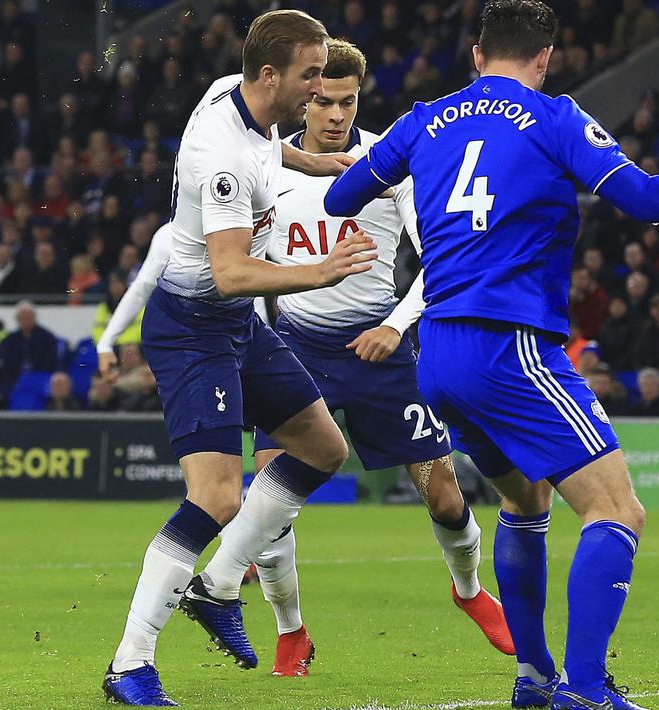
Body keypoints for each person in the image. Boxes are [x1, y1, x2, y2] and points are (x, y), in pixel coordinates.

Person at [325, 2, 659, 707]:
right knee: (617, 512)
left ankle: (535, 678)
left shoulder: (422, 119)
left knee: (526, 500)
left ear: (477, 56)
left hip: (437, 351)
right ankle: (587, 688)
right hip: (509, 345)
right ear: (543, 60)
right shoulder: (553, 115)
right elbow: (646, 200)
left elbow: (342, 194)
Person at [209, 38, 514, 674]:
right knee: (270, 496)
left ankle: (469, 592)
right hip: (295, 348)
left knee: (445, 497)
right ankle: (291, 629)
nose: (335, 114)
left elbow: (441, 260)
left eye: (347, 101)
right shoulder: (269, 163)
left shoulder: (388, 162)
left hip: (380, 349)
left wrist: (398, 327)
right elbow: (245, 255)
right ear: (303, 96)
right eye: (323, 100)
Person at [102, 11, 376, 706]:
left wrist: (312, 161)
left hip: (233, 327)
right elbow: (229, 272)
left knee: (322, 447)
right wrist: (321, 272)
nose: (319, 91)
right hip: (193, 325)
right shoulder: (219, 157)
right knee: (217, 496)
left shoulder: (239, 98)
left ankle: (219, 586)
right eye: (310, 75)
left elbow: (267, 147)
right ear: (269, 75)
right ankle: (129, 665)